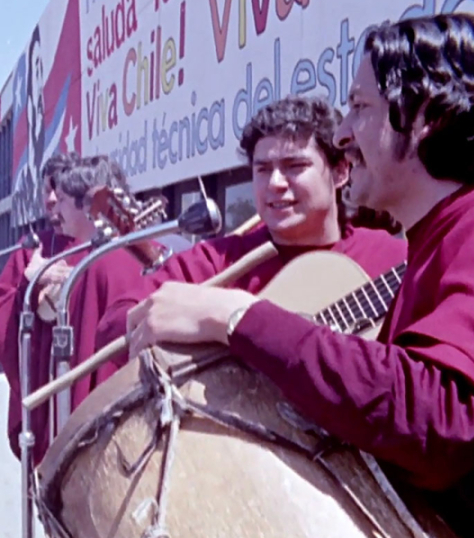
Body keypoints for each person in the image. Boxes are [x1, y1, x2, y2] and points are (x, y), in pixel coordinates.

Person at [123, 14, 474, 538]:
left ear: (429, 119)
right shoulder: (455, 228)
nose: (344, 133)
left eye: (360, 108)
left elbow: (441, 424)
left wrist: (238, 317)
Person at [95, 95, 408, 372]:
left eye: (294, 166)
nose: (274, 183)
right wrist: (213, 327)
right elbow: (115, 327)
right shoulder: (220, 261)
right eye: (262, 169)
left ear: (341, 172)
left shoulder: (391, 259)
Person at [0, 153, 146, 463]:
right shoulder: (31, 251)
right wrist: (29, 287)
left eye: (59, 194)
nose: (51, 201)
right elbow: (3, 327)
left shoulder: (105, 257)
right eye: (47, 191)